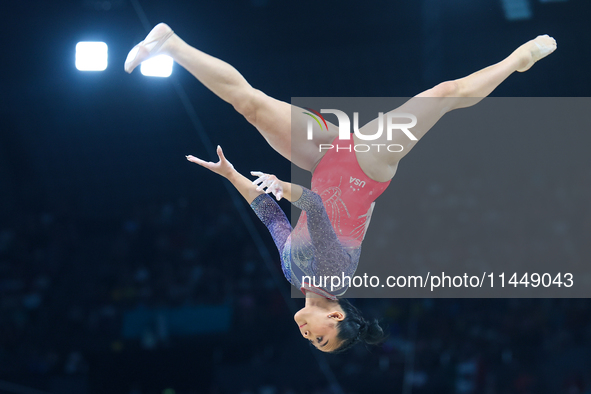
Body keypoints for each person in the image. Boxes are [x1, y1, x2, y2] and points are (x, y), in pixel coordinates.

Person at [124, 23, 556, 353]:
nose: (311, 336)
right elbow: (311, 204)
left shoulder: (296, 274)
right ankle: (516, 61)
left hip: (326, 156)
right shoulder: (334, 276)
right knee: (443, 94)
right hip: (365, 165)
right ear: (335, 314)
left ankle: (170, 44)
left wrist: (230, 174)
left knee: (250, 104)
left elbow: (272, 219)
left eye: (314, 343)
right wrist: (281, 184)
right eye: (323, 337)